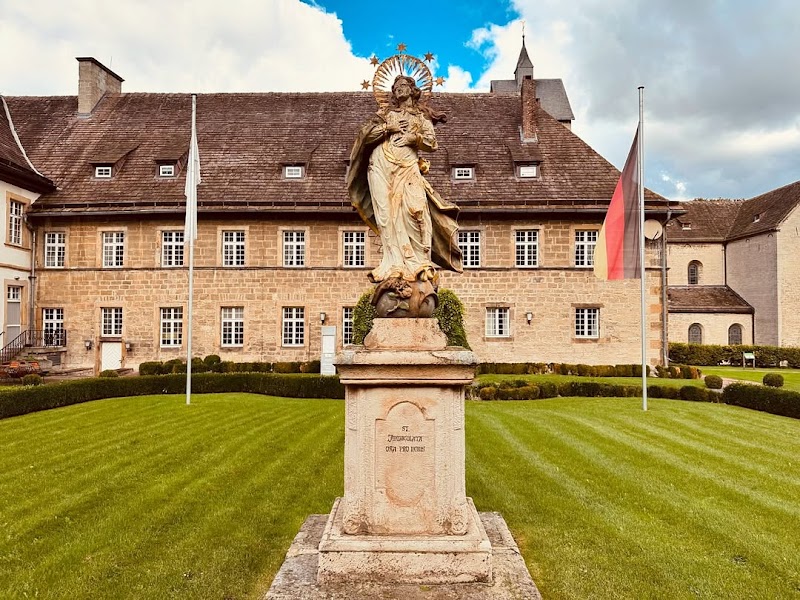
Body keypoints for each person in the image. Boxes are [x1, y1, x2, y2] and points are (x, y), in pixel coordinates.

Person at [347, 75, 462, 290]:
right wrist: (386, 129)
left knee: (417, 211)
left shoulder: (420, 117)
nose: (399, 89)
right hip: (380, 168)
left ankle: (420, 262)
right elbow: (364, 136)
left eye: (403, 86)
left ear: (413, 90)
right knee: (386, 216)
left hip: (407, 169)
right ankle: (393, 264)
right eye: (396, 87)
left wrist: (413, 139)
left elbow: (432, 143)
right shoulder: (385, 114)